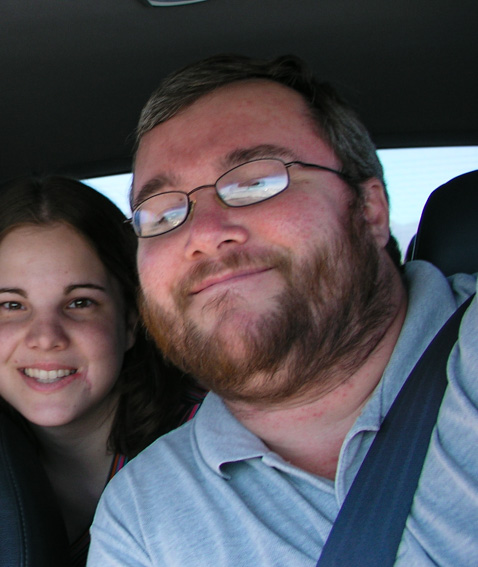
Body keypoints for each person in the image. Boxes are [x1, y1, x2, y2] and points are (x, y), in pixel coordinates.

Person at [88, 54, 478, 565]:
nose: (202, 235)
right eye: (161, 214)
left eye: (255, 181)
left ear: (370, 211)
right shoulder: (140, 516)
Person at [0, 177, 202, 566]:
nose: (45, 337)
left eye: (80, 302)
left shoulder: (209, 448)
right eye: (11, 305)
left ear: (130, 320)